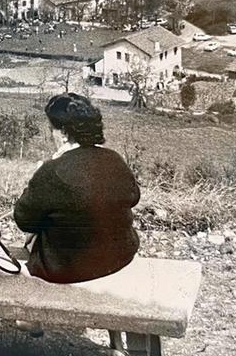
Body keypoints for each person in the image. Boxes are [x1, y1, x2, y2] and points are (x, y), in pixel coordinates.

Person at [13, 93, 141, 284]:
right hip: (120, 258)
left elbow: (24, 220)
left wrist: (39, 175)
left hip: (68, 271)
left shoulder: (52, 171)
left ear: (63, 133)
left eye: (52, 129)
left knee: (38, 232)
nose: (51, 135)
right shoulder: (114, 159)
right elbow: (134, 197)